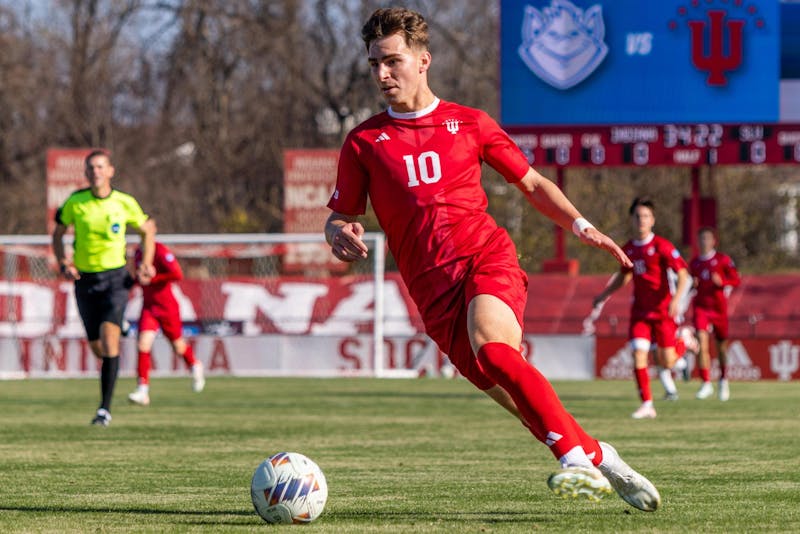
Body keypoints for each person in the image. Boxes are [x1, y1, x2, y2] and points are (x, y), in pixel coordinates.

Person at [325, 7, 660, 512]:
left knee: (493, 346)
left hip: (486, 259)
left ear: (423, 61)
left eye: (391, 61)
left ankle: (574, 462)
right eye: (373, 64)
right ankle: (600, 454)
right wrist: (339, 232)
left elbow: (531, 183)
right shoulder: (364, 142)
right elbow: (340, 216)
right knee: (515, 396)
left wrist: (583, 227)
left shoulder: (470, 123)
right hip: (432, 294)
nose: (382, 74)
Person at [52, 150, 156, 426]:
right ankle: (117, 328)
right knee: (98, 347)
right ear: (86, 173)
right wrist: (64, 261)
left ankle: (104, 409)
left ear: (110, 171)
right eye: (90, 168)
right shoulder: (76, 202)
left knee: (110, 342)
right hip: (85, 281)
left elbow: (148, 229)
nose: (95, 172)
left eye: (100, 167)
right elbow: (59, 232)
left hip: (116, 280)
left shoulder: (124, 202)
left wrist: (145, 262)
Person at [593, 198, 690, 419]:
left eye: (645, 216)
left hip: (663, 311)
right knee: (638, 354)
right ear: (632, 219)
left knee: (667, 361)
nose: (641, 220)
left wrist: (676, 299)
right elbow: (624, 277)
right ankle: (647, 404)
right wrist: (604, 295)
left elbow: (683, 273)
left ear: (652, 220)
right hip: (640, 313)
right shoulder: (627, 249)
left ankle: (684, 342)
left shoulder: (662, 246)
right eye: (637, 216)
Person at [127, 228, 205, 407]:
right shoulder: (137, 252)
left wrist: (153, 279)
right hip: (148, 307)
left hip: (166, 307)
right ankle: (142, 390)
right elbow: (139, 278)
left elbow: (177, 274)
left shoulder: (161, 251)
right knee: (142, 344)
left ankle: (194, 364)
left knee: (178, 347)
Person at [688, 227, 740, 401]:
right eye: (701, 239)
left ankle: (723, 380)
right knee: (702, 343)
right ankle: (706, 383)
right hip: (701, 308)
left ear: (713, 241)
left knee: (721, 348)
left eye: (707, 239)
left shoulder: (722, 260)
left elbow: (736, 280)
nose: (704, 242)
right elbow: (688, 283)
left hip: (719, 309)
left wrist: (722, 282)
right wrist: (692, 284)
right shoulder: (694, 263)